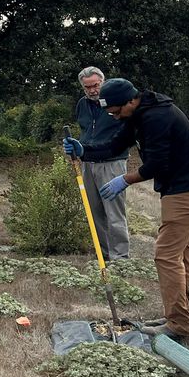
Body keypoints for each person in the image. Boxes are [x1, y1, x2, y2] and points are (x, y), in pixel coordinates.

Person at [63, 78, 189, 340]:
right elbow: (114, 146)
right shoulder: (136, 114)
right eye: (111, 113)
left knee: (166, 255)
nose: (115, 116)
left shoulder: (157, 117)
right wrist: (83, 149)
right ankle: (182, 315)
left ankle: (178, 326)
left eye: (117, 111)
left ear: (131, 100)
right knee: (183, 254)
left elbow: (157, 164)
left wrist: (124, 179)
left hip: (186, 189)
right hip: (178, 188)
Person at [73, 67, 131, 261]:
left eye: (95, 85)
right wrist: (78, 147)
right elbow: (85, 130)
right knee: (94, 212)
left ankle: (120, 257)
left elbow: (124, 133)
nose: (92, 90)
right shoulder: (82, 104)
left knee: (114, 212)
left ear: (102, 83)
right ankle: (104, 255)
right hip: (88, 162)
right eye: (87, 87)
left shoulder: (115, 101)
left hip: (112, 163)